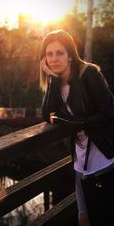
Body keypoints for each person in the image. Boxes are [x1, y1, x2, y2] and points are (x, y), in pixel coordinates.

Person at [40, 29, 114, 226]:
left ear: (70, 56)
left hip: (107, 161)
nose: (54, 58)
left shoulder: (89, 73)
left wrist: (76, 124)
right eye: (49, 54)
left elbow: (108, 111)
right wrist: (52, 79)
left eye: (60, 53)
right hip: (81, 166)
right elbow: (46, 114)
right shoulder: (57, 83)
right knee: (86, 219)